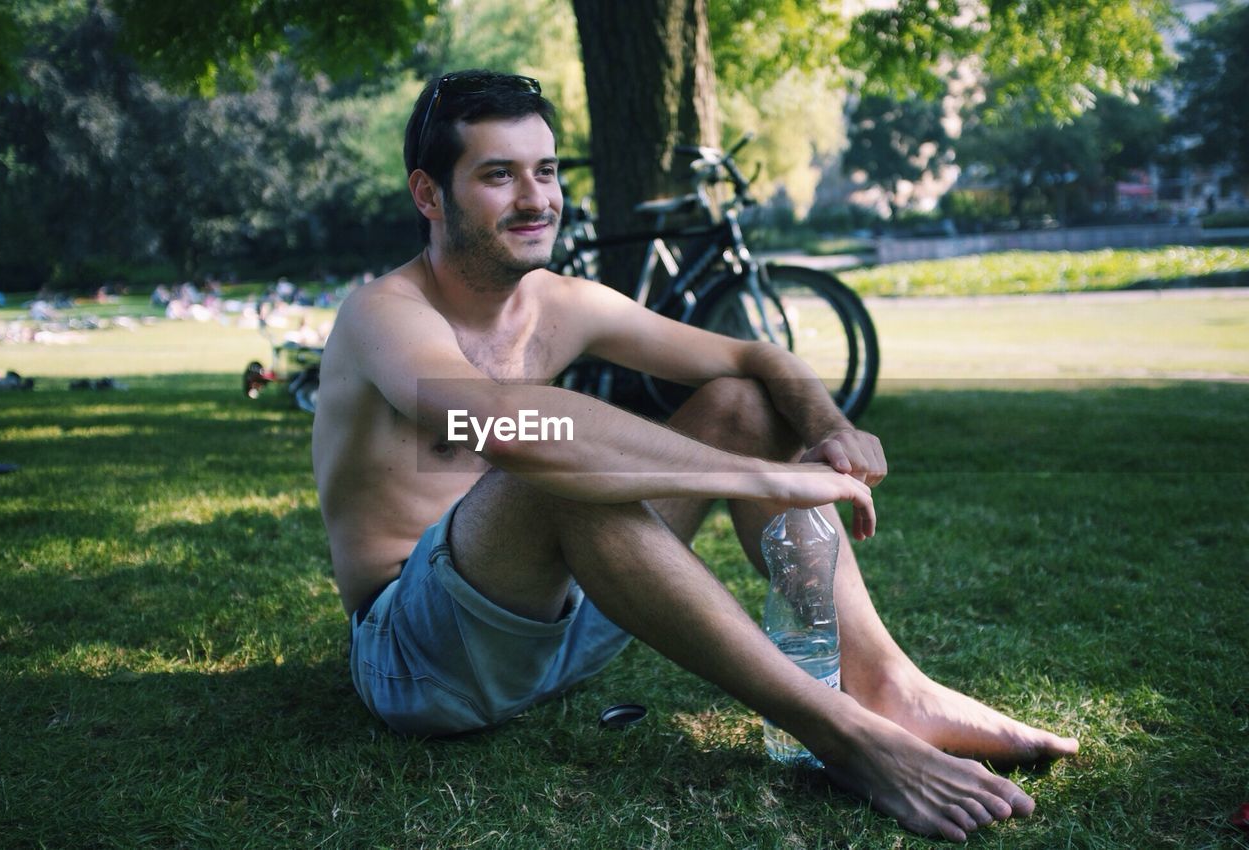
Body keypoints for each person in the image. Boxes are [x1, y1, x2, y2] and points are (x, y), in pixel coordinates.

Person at [311, 69, 1078, 843]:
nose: (536, 199)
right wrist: (761, 475)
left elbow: (754, 359)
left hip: (565, 628)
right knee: (552, 467)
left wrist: (826, 424)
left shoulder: (564, 304)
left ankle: (886, 683)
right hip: (419, 661)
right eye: (498, 175)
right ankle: (844, 734)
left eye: (545, 171)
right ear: (428, 194)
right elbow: (509, 428)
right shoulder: (383, 316)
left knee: (741, 404)